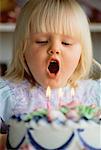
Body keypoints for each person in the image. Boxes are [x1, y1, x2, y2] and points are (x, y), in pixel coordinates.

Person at [0, 0, 100, 149]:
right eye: (42, 41)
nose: (55, 49)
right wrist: (11, 139)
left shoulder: (95, 94)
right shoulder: (7, 95)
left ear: (82, 52)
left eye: (66, 43)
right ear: (23, 49)